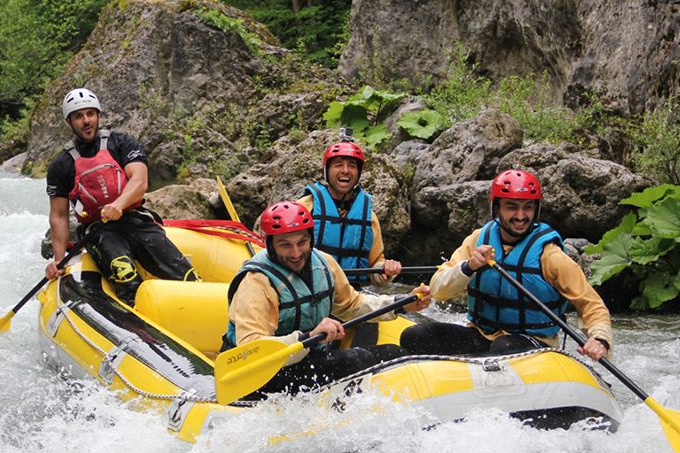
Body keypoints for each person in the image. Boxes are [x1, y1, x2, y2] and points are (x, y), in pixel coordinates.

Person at [399, 169, 613, 360]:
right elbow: (437, 290)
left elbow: (590, 304)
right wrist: (469, 267)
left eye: (527, 208)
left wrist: (600, 339)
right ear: (496, 208)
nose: (520, 216)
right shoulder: (477, 241)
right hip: (483, 335)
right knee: (416, 336)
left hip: (534, 345)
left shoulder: (550, 256)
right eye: (512, 207)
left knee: (503, 347)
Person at [222, 200, 431, 395]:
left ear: (311, 238)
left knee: (394, 354)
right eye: (285, 245)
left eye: (302, 242)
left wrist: (401, 304)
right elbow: (251, 348)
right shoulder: (256, 282)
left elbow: (352, 304)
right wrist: (308, 337)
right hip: (265, 375)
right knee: (354, 360)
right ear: (270, 245)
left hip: (310, 358)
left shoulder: (324, 263)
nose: (296, 253)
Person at [45, 87, 199, 301]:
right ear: (69, 122)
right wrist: (58, 260)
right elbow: (59, 215)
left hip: (136, 221)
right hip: (99, 231)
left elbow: (140, 179)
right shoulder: (61, 165)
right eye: (79, 117)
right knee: (124, 274)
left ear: (98, 115)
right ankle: (135, 320)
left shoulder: (121, 143)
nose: (86, 121)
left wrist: (119, 204)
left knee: (185, 274)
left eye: (90, 114)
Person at [298, 138, 402, 287]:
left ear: (359, 173)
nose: (345, 170)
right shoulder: (304, 208)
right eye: (338, 165)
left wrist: (385, 270)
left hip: (350, 297)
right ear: (326, 170)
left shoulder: (369, 218)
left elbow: (375, 266)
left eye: (352, 166)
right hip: (310, 291)